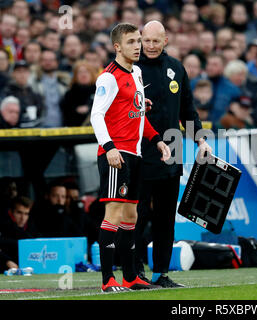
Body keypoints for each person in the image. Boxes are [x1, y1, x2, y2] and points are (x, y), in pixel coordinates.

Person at [90, 23, 171, 292]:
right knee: (113, 214)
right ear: (117, 47)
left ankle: (130, 276)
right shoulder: (108, 77)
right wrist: (109, 147)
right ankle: (106, 280)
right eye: (131, 42)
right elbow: (96, 115)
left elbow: (138, 115)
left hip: (135, 154)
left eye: (139, 41)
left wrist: (157, 140)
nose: (138, 46)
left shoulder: (136, 72)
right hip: (116, 155)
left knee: (131, 216)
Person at [135, 20, 212, 288]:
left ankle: (160, 273)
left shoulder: (176, 69)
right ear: (140, 39)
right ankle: (135, 274)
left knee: (166, 217)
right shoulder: (131, 70)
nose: (151, 46)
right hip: (140, 153)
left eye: (157, 41)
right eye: (147, 41)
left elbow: (188, 110)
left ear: (165, 40)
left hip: (173, 152)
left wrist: (201, 139)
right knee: (138, 214)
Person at [60, 60, 97, 126]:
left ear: (92, 74)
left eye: (86, 72)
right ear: (75, 76)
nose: (83, 75)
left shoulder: (99, 91)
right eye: (80, 72)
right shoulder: (69, 94)